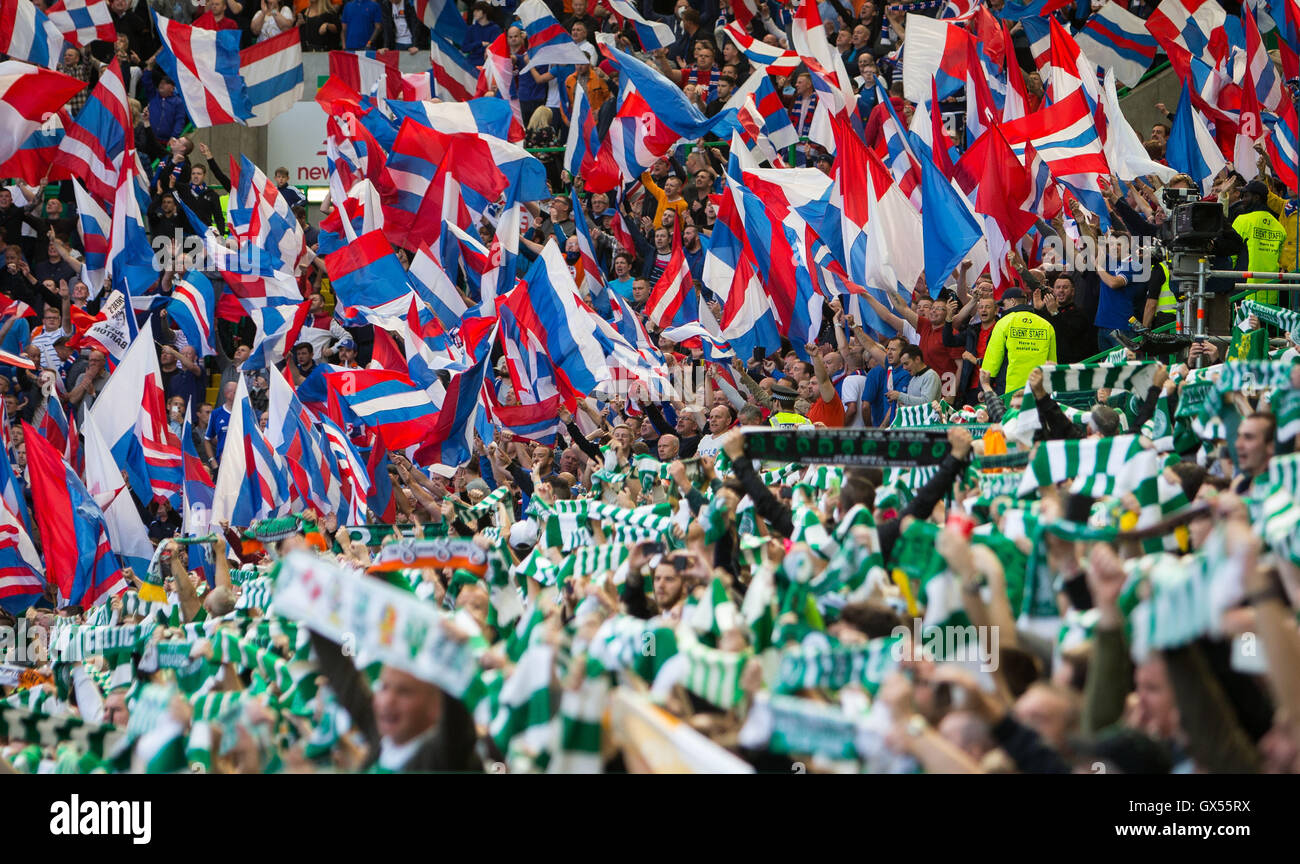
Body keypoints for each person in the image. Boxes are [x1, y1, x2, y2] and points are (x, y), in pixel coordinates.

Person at [980, 285, 1056, 395]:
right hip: (1040, 389)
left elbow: (992, 360)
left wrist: (984, 387)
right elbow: (1052, 362)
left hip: (1010, 391)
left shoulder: (1004, 323)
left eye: (1004, 304)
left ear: (1012, 302)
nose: (1003, 309)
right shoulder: (1046, 325)